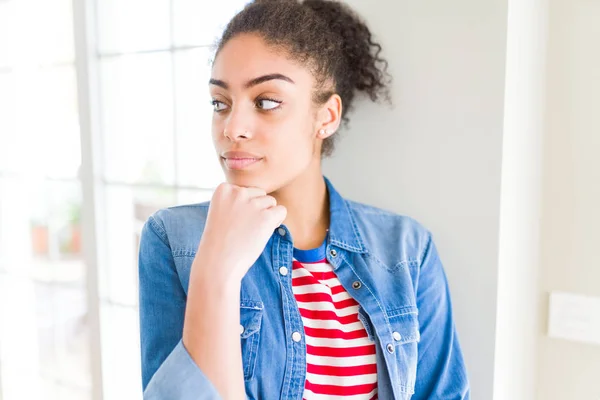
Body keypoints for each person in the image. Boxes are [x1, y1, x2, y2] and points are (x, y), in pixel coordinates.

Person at [138, 0, 470, 399]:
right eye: (219, 103)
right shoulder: (176, 240)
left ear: (325, 117)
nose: (232, 127)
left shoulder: (405, 249)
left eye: (266, 102)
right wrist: (215, 272)